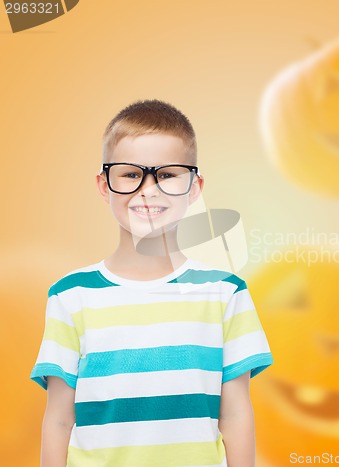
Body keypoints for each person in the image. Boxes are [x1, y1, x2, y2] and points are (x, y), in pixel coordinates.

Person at [30, 99, 274, 467]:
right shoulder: (70, 296)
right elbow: (59, 418)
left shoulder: (226, 293)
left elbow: (236, 414)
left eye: (167, 175)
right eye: (130, 174)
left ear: (194, 187)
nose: (148, 189)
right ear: (103, 184)